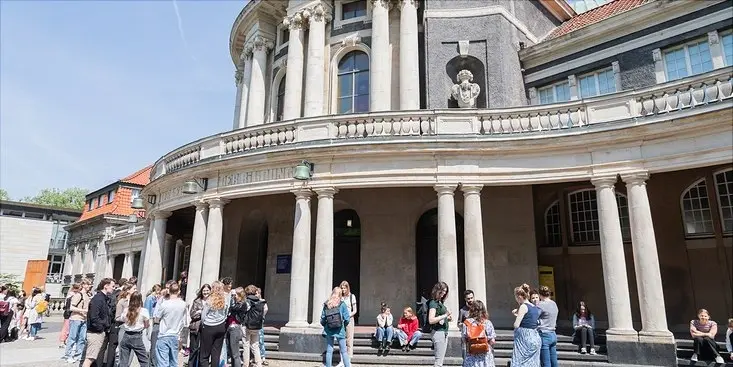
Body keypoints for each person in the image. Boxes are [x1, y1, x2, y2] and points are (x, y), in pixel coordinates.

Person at [82, 278, 115, 367]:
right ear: (106, 286)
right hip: (95, 332)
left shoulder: (104, 298)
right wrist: (101, 327)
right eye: (112, 286)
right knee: (90, 358)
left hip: (99, 331)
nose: (114, 288)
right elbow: (94, 317)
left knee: (92, 357)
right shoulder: (98, 299)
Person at [155, 283, 187, 367]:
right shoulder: (183, 304)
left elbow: (157, 318)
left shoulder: (165, 304)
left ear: (169, 291)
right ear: (179, 291)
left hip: (164, 334)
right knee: (173, 362)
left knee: (162, 362)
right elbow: (184, 320)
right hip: (175, 334)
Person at [199, 281, 229, 367]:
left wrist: (203, 323)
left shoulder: (210, 299)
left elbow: (203, 315)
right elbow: (226, 313)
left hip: (209, 326)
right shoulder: (225, 299)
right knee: (216, 354)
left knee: (204, 354)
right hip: (220, 326)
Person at [510, 283, 541, 367]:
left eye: (516, 297)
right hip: (535, 337)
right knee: (533, 363)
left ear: (519, 296)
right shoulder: (534, 307)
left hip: (525, 338)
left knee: (520, 363)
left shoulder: (523, 306)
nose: (516, 299)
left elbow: (516, 325)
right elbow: (529, 319)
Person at [321, 287, 351, 367]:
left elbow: (322, 319)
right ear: (340, 295)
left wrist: (326, 326)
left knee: (329, 350)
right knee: (344, 351)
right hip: (340, 330)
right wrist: (343, 326)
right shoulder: (342, 304)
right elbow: (347, 319)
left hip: (329, 330)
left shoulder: (327, 304)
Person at [119, 292, 150, 367]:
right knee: (144, 360)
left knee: (123, 361)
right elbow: (146, 325)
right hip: (137, 336)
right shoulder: (143, 311)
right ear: (140, 300)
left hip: (126, 335)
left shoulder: (126, 310)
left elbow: (122, 319)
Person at [461, 300, 496, 367]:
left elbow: (464, 340)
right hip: (485, 356)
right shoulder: (487, 323)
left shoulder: (467, 323)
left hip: (471, 355)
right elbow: (492, 341)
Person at [63, 279, 91, 364]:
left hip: (84, 319)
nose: (90, 286)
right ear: (84, 285)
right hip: (76, 318)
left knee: (82, 338)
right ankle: (68, 355)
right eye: (89, 284)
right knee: (72, 337)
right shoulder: (78, 295)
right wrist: (82, 310)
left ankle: (79, 355)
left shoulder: (88, 295)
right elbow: (71, 307)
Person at [428, 281, 452, 367]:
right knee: (438, 361)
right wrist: (445, 315)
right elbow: (431, 319)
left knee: (440, 360)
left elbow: (438, 318)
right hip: (438, 332)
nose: (444, 293)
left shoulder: (440, 302)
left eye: (445, 291)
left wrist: (447, 318)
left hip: (443, 332)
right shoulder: (433, 303)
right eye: (442, 291)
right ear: (437, 290)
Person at [242, 285, 265, 367]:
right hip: (257, 326)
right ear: (255, 292)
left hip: (247, 325)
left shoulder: (247, 301)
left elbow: (244, 311)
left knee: (246, 345)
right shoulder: (260, 301)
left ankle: (245, 364)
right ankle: (259, 363)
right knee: (255, 345)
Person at [189, 284, 210, 366]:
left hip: (207, 328)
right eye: (204, 290)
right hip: (196, 327)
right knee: (194, 349)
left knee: (203, 350)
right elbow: (192, 314)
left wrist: (201, 312)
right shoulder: (196, 301)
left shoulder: (212, 301)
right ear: (201, 291)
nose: (206, 292)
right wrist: (201, 312)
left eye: (207, 290)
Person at [536, 286, 558, 367]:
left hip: (544, 334)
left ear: (540, 295)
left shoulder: (540, 305)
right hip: (553, 334)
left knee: (545, 363)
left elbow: (534, 318)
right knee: (554, 361)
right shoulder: (554, 303)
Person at [227, 287, 247, 367]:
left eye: (235, 294)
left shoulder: (242, 304)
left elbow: (233, 309)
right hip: (229, 327)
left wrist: (231, 299)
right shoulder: (235, 302)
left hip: (235, 328)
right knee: (231, 352)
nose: (234, 295)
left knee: (235, 353)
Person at [339, 280, 357, 365]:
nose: (343, 290)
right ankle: (342, 360)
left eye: (344, 288)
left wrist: (348, 315)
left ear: (347, 288)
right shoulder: (340, 297)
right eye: (342, 288)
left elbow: (355, 310)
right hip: (341, 320)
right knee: (341, 340)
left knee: (349, 340)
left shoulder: (352, 296)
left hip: (349, 319)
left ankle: (348, 360)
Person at [458, 290, 475, 359]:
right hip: (467, 338)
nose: (470, 300)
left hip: (477, 337)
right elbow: (458, 323)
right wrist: (464, 324)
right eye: (468, 298)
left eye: (471, 298)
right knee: (465, 357)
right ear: (465, 299)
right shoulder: (462, 310)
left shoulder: (478, 308)